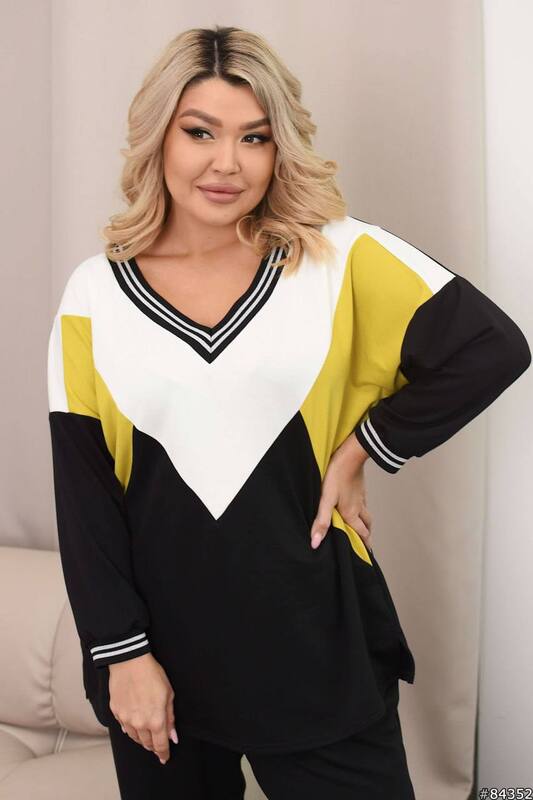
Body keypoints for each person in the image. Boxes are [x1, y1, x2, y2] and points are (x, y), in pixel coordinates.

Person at [46, 24, 531, 800]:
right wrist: (123, 655)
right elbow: (86, 500)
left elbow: (490, 347)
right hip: (160, 662)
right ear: (157, 135)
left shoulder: (337, 256)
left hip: (315, 644)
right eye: (199, 132)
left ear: (280, 149)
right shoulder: (93, 295)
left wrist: (363, 445)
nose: (226, 163)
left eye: (254, 137)